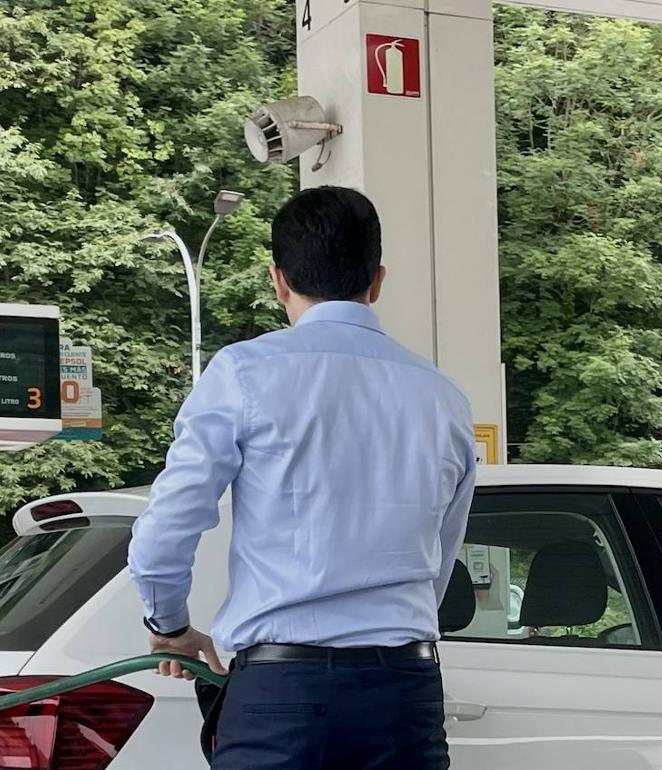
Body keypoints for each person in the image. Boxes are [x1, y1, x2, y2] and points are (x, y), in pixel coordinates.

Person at [127, 186, 476, 769]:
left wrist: (170, 625)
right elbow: (442, 550)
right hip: (404, 694)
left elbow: (166, 531)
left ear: (279, 280)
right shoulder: (443, 397)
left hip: (280, 696)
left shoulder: (244, 373)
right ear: (378, 280)